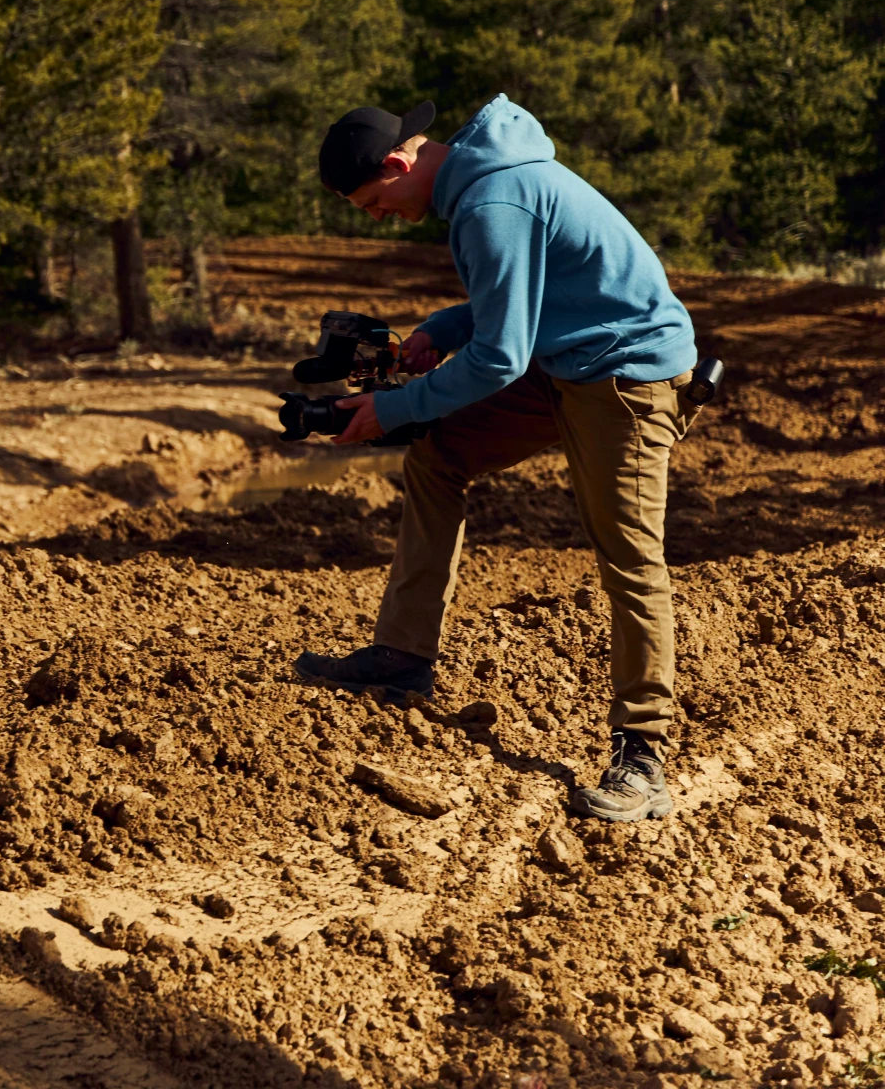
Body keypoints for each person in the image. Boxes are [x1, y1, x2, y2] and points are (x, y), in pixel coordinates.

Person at [291, 95, 701, 823]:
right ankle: (403, 657)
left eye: (371, 200)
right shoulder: (484, 184)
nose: (374, 216)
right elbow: (529, 297)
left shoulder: (492, 200)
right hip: (564, 363)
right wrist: (441, 328)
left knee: (628, 556)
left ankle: (641, 753)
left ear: (397, 163)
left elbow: (500, 358)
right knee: (438, 456)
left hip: (627, 378)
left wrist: (389, 407)